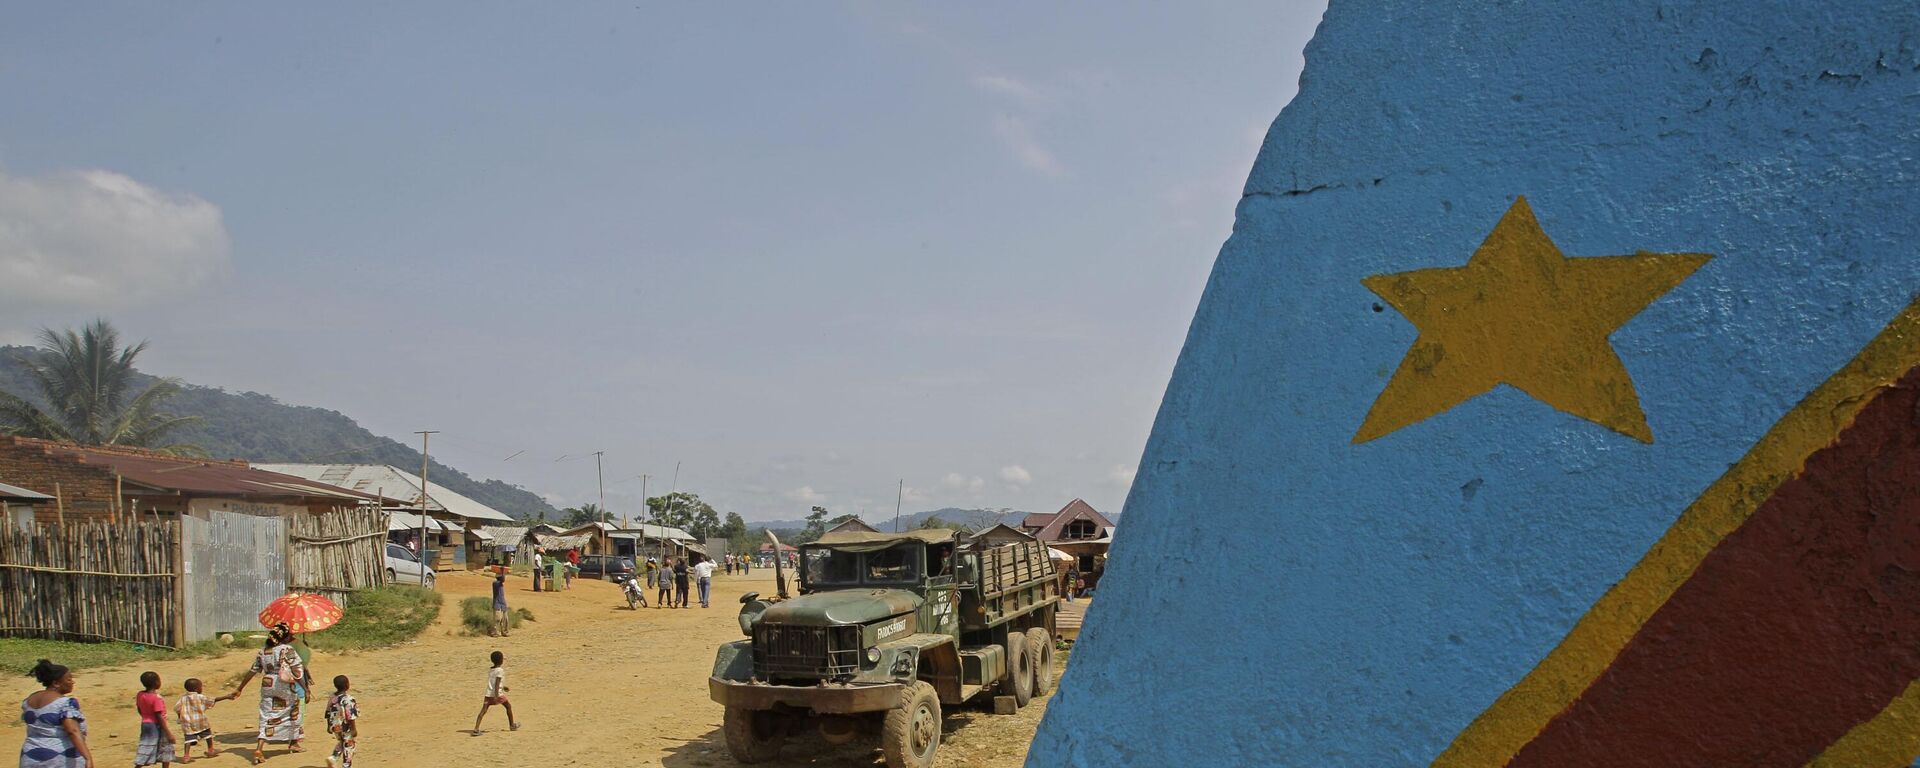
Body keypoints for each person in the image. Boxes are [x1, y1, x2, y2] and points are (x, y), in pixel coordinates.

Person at [230, 623, 306, 764]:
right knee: (293, 710)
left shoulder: (263, 651)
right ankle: (294, 742)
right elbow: (297, 671)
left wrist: (240, 688)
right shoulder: (287, 649)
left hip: (267, 684)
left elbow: (252, 671)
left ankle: (259, 748)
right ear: (285, 636)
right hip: (283, 685)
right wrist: (305, 689)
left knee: (267, 715)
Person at [19, 659, 92, 768]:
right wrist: (87, 758)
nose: (72, 682)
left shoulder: (29, 700)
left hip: (30, 755)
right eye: (69, 679)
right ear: (56, 683)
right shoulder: (65, 703)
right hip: (59, 758)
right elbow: (72, 731)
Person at [174, 677, 234, 762]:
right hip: (200, 721)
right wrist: (227, 696)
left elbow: (177, 708)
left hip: (187, 723)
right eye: (200, 687)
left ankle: (186, 756)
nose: (201, 688)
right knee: (208, 735)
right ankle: (211, 750)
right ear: (196, 689)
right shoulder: (199, 697)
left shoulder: (183, 698)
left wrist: (180, 717)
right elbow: (213, 700)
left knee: (188, 739)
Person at [134, 671, 179, 768]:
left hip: (145, 724)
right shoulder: (156, 698)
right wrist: (168, 733)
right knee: (166, 747)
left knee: (146, 746)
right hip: (157, 725)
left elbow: (139, 708)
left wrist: (145, 717)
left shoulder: (140, 694)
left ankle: (138, 765)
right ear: (156, 683)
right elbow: (158, 715)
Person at [470, 651, 519, 735]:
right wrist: (496, 695)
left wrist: (503, 687)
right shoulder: (500, 670)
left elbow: (493, 682)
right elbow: (496, 683)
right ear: (501, 660)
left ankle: (476, 729)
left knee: (483, 711)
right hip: (497, 694)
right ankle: (512, 725)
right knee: (508, 706)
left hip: (488, 694)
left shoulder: (491, 669)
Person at [323, 675, 358, 768]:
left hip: (335, 726)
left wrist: (328, 725)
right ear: (347, 685)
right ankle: (346, 765)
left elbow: (327, 712)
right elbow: (351, 716)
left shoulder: (332, 697)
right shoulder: (349, 699)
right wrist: (354, 729)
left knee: (342, 742)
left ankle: (333, 758)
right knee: (349, 746)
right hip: (346, 727)